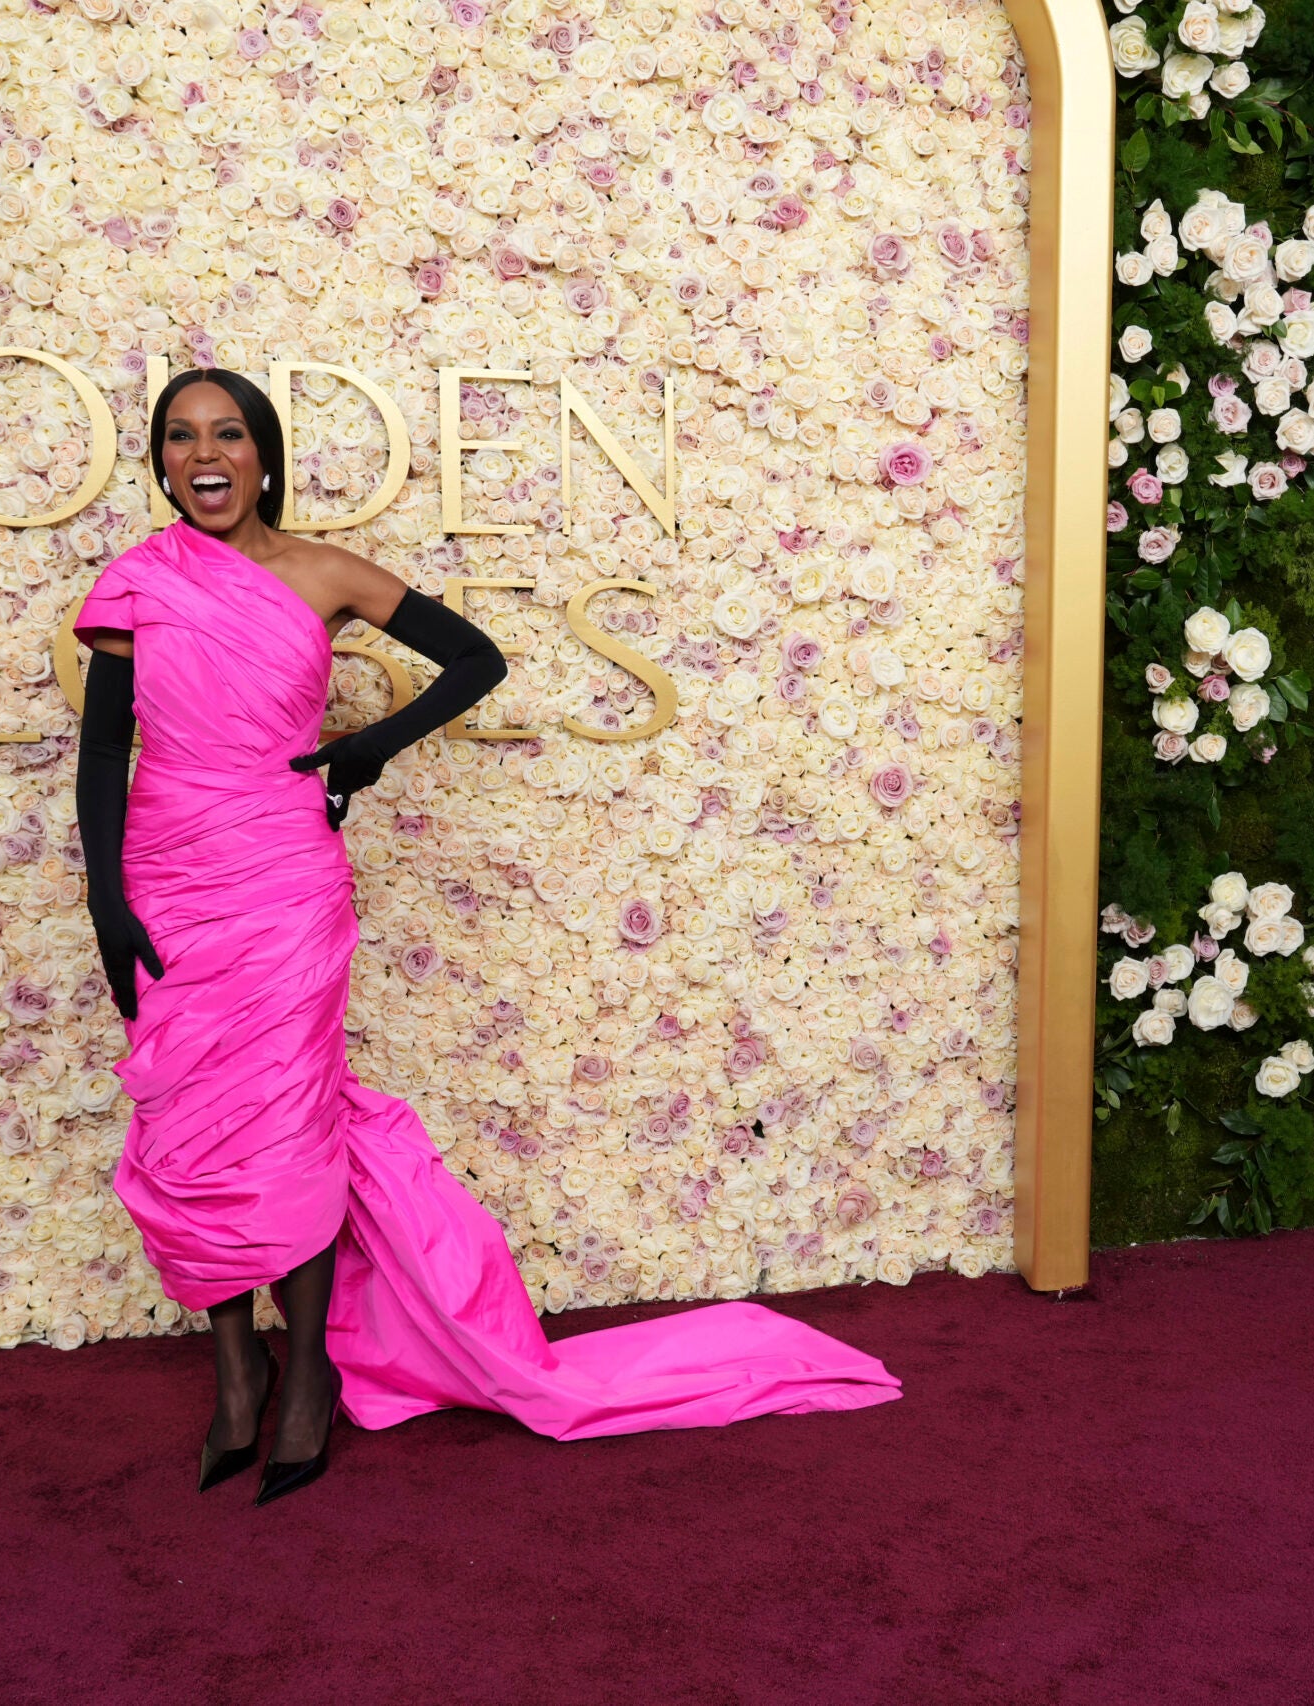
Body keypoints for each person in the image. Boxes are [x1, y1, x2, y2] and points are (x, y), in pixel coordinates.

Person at [75, 370, 900, 1506]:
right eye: (180, 438)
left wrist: (370, 749)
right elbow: (100, 754)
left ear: (265, 454)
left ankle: (306, 1367)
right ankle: (236, 1366)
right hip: (170, 879)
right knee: (193, 1125)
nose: (204, 455)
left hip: (284, 882)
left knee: (289, 1112)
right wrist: (105, 898)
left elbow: (477, 658)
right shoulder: (135, 585)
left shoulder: (327, 573)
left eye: (228, 434)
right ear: (160, 460)